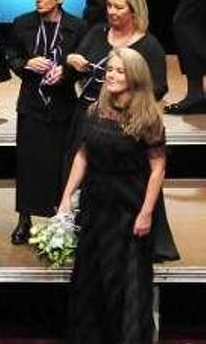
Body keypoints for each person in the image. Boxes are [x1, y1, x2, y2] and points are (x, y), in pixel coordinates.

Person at [59, 48, 177, 343]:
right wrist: (65, 199)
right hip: (95, 204)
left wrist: (147, 213)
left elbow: (158, 167)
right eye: (110, 69)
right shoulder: (94, 111)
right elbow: (82, 156)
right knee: (91, 278)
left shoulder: (148, 118)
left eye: (120, 71)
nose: (111, 75)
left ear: (134, 76)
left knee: (123, 283)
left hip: (128, 207)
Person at [5, 0, 86, 244]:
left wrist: (66, 72)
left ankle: (60, 217)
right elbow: (12, 56)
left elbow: (80, 65)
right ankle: (24, 218)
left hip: (63, 105)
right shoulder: (22, 23)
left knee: (60, 163)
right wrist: (26, 64)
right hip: (31, 103)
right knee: (28, 162)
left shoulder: (76, 27)